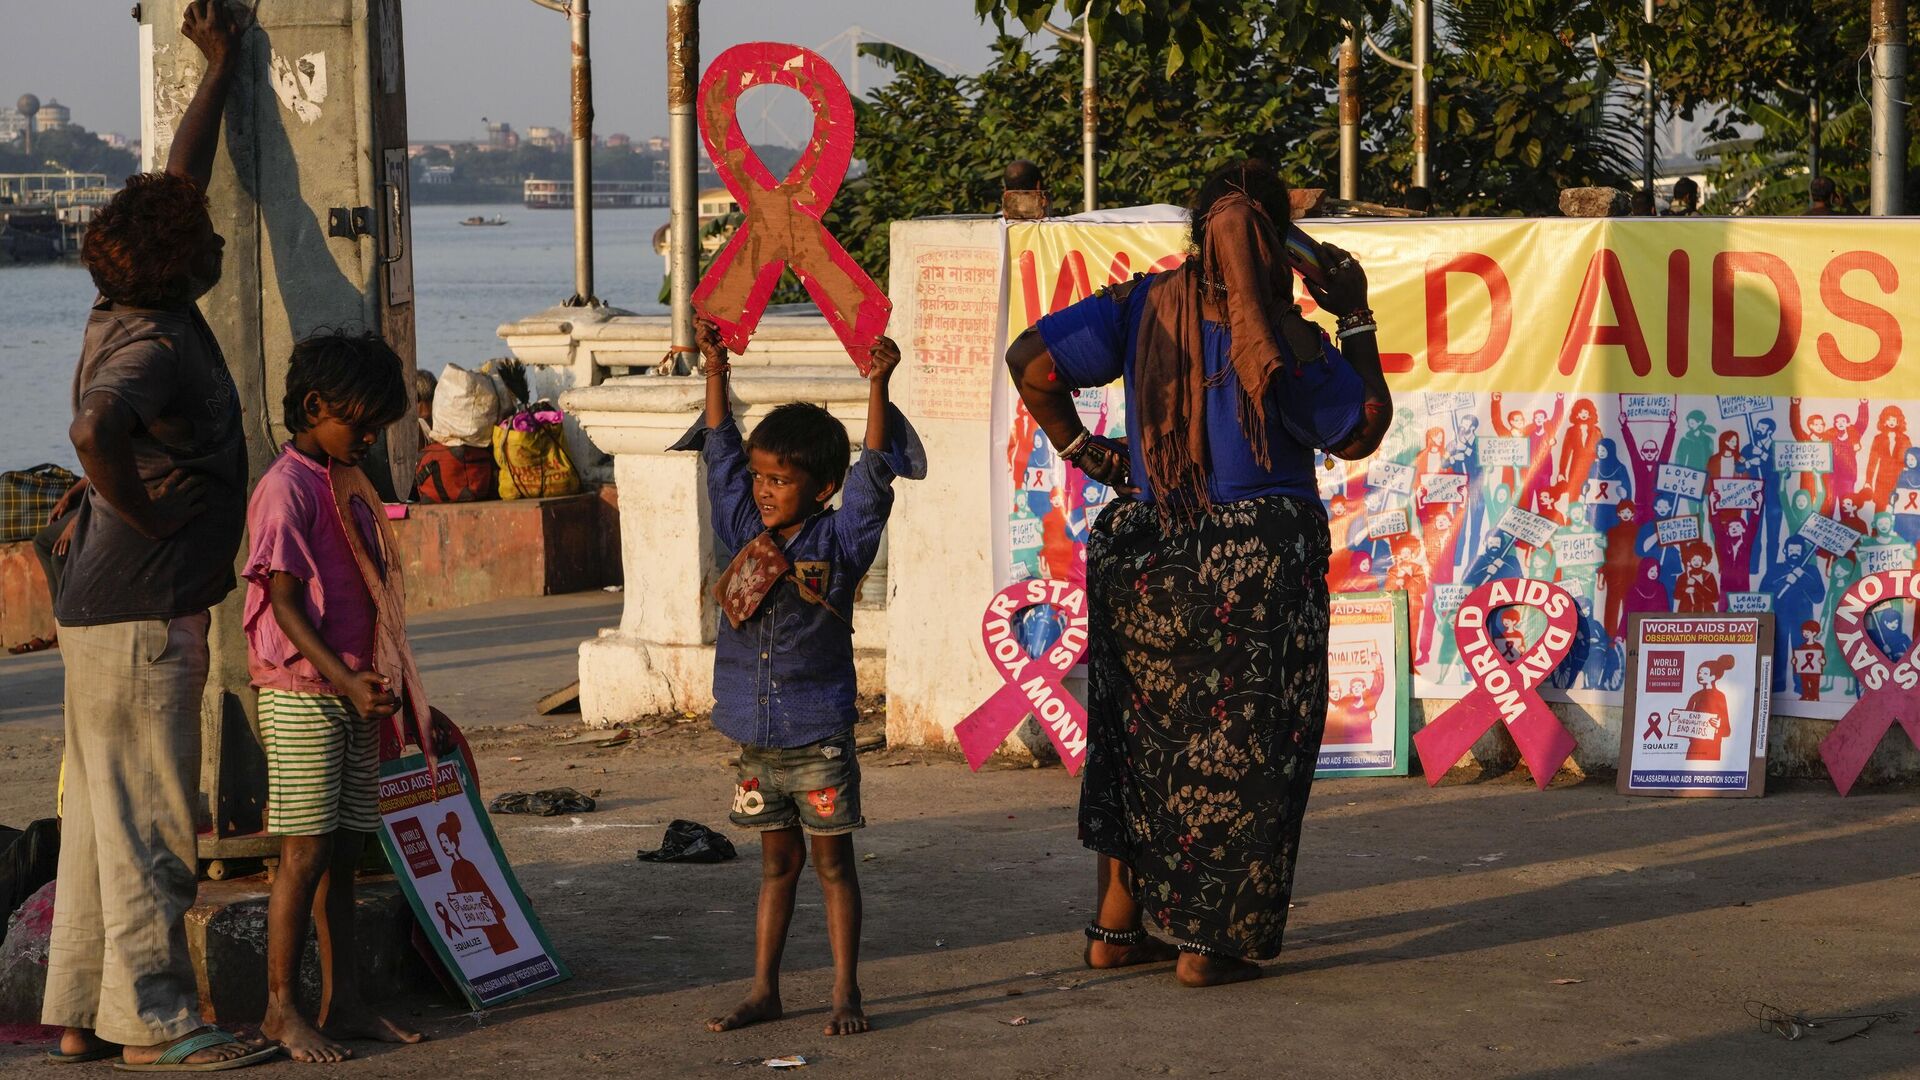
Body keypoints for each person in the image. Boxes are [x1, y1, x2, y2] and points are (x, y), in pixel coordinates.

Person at [1006, 159, 1390, 986]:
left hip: (1145, 552)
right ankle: (1207, 948)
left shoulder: (1141, 303)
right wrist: (1353, 316)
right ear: (1277, 241)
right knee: (1243, 753)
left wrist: (1084, 450)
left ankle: (1115, 927)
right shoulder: (1286, 338)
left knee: (1137, 740)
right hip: (1256, 567)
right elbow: (1358, 430)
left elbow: (1032, 360)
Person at [41, 2, 278, 1070]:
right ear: (184, 268)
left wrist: (219, 67)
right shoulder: (155, 345)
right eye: (210, 243)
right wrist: (133, 510)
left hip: (98, 605)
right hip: (143, 608)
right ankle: (158, 1023)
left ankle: (81, 1013)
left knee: (102, 823)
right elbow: (94, 427)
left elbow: (182, 180)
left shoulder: (122, 300)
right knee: (152, 825)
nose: (222, 239)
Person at [689, 316, 922, 1037]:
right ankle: (765, 989)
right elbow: (721, 457)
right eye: (762, 480)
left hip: (818, 734)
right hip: (756, 738)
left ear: (819, 486)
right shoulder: (740, 531)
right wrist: (717, 370)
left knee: (832, 868)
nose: (763, 492)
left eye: (781, 482)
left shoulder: (840, 539)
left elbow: (872, 473)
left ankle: (846, 991)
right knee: (774, 868)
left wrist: (878, 384)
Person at [243, 333, 431, 1062]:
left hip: (352, 691)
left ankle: (343, 1000)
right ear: (315, 408)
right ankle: (280, 1009)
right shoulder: (287, 489)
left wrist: (374, 680)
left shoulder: (342, 477)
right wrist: (346, 679)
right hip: (304, 693)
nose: (371, 439)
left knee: (347, 851)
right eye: (362, 425)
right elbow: (285, 602)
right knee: (305, 851)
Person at [1683, 655, 1735, 761]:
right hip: (1695, 747)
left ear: (1713, 677)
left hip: (1712, 747)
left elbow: (1727, 731)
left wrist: (1719, 726)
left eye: (1704, 673)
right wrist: (1676, 719)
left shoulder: (1720, 696)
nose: (1700, 675)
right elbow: (1684, 722)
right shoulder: (1695, 696)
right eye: (1699, 672)